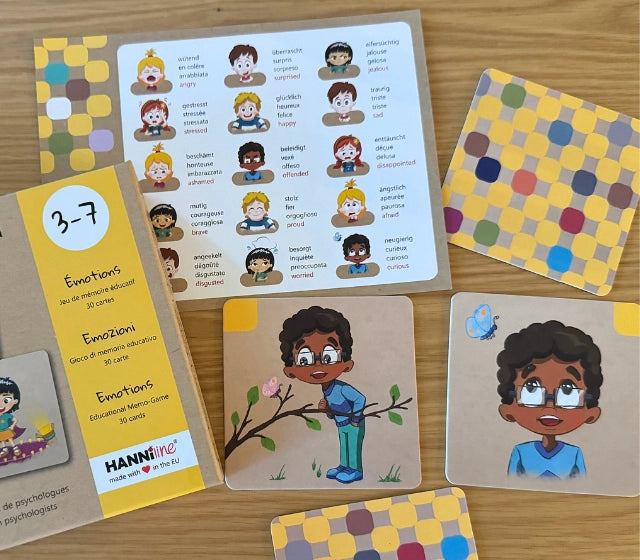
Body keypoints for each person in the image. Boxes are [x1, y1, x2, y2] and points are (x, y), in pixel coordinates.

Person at [497, 320, 603, 478]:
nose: (549, 407)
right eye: (531, 389)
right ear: (508, 410)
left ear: (591, 413)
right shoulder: (520, 452)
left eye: (568, 392)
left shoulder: (574, 453)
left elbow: (582, 484)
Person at [279, 306, 365, 483]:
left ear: (346, 363)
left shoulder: (342, 388)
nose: (318, 366)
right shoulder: (327, 390)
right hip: (342, 423)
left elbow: (360, 399)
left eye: (328, 356)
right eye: (305, 359)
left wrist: (355, 420)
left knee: (352, 445)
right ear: (290, 370)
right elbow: (334, 411)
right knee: (344, 444)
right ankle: (344, 466)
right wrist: (326, 410)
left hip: (353, 423)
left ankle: (355, 470)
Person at [0, 377, 22, 459]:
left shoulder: (7, 415)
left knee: (9, 438)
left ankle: (15, 448)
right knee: (2, 440)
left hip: (7, 429)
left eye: (6, 400)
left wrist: (12, 426)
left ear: (15, 401)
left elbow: (15, 420)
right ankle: (4, 449)